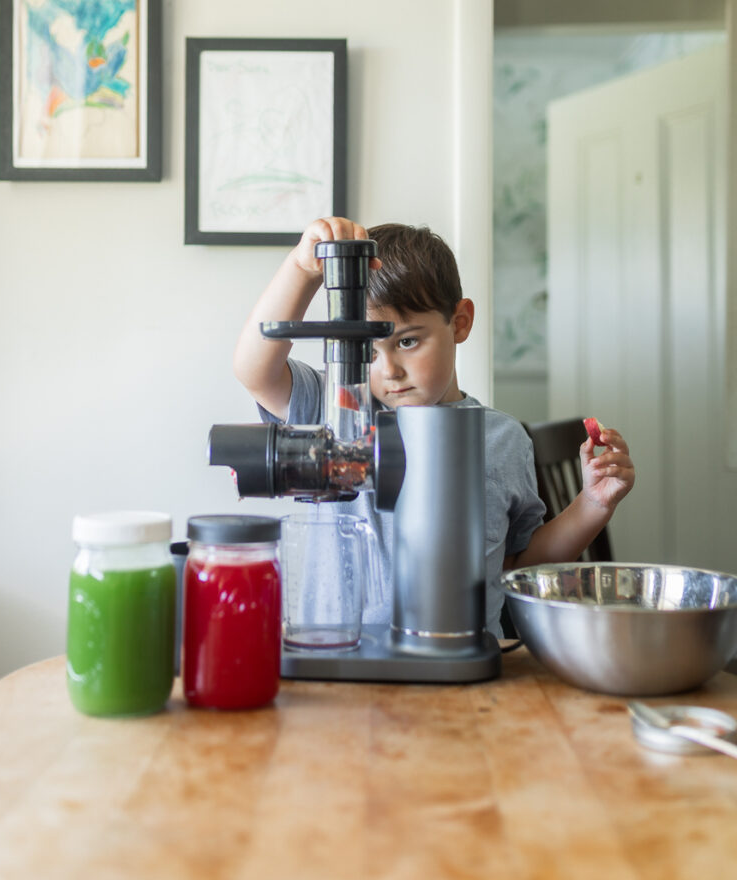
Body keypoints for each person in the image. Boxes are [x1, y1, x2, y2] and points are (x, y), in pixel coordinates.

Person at [233, 216, 636, 637]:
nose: (388, 369)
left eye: (407, 341)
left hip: (459, 667)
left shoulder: (502, 439)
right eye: (366, 351)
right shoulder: (337, 410)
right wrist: (302, 269)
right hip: (336, 657)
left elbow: (516, 565)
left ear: (459, 322)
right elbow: (253, 370)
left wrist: (592, 505)